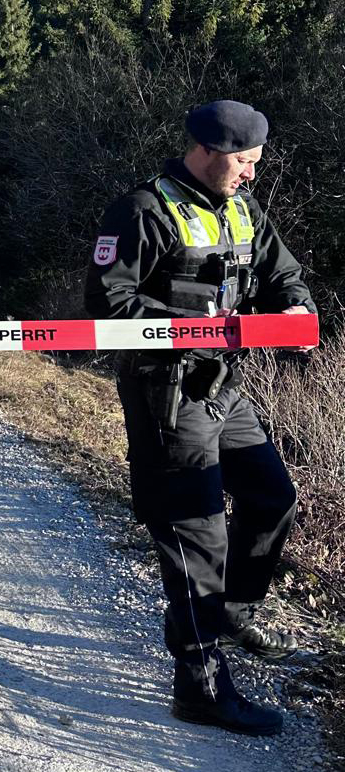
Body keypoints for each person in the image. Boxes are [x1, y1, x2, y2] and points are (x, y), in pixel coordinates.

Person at [85, 100, 316, 737]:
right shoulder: (143, 211)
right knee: (196, 536)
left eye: (255, 163)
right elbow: (108, 306)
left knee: (272, 497)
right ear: (209, 150)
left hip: (225, 390)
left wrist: (294, 310)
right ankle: (199, 684)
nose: (250, 174)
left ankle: (231, 612)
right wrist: (194, 328)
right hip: (170, 395)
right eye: (243, 161)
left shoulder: (242, 209)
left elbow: (283, 273)